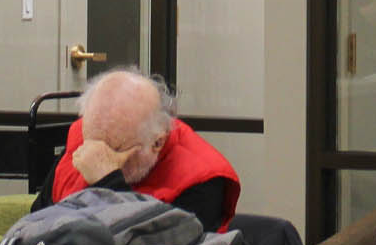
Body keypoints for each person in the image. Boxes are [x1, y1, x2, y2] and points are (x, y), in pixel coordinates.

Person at [40, 67, 240, 234]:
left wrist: (108, 182)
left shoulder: (202, 178)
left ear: (157, 143)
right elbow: (37, 226)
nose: (95, 155)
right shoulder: (83, 138)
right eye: (91, 141)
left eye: (114, 149)